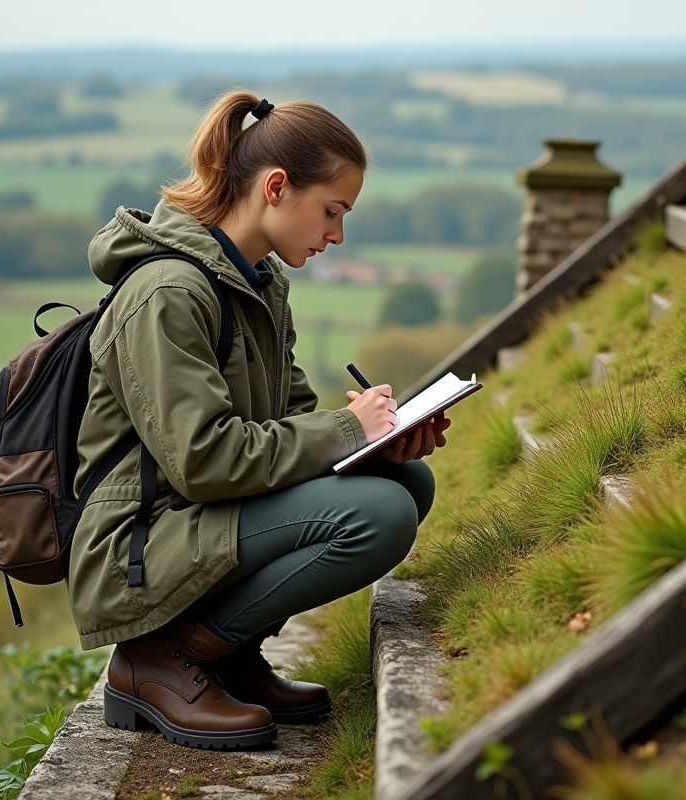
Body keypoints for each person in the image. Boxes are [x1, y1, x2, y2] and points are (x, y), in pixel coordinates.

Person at [69, 91, 452, 750]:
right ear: (276, 187)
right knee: (379, 516)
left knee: (407, 482)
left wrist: (380, 443)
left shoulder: (259, 282)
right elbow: (203, 461)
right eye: (332, 211)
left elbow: (293, 416)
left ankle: (228, 651)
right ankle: (159, 661)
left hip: (197, 516)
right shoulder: (168, 293)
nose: (337, 235)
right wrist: (346, 430)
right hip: (138, 543)